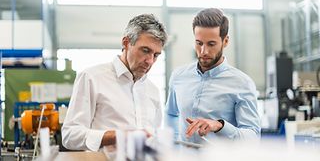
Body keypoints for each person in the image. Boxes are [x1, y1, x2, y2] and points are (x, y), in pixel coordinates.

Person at [62, 14, 168, 151]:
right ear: (126, 43)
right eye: (145, 50)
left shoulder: (152, 90)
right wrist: (118, 136)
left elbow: (153, 139)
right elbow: (70, 135)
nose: (150, 61)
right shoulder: (92, 78)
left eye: (156, 55)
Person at [165, 8, 260, 144]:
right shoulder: (178, 76)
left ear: (225, 41)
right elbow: (171, 114)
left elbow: (253, 137)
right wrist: (173, 147)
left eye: (211, 44)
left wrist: (220, 126)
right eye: (199, 43)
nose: (204, 51)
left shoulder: (242, 83)